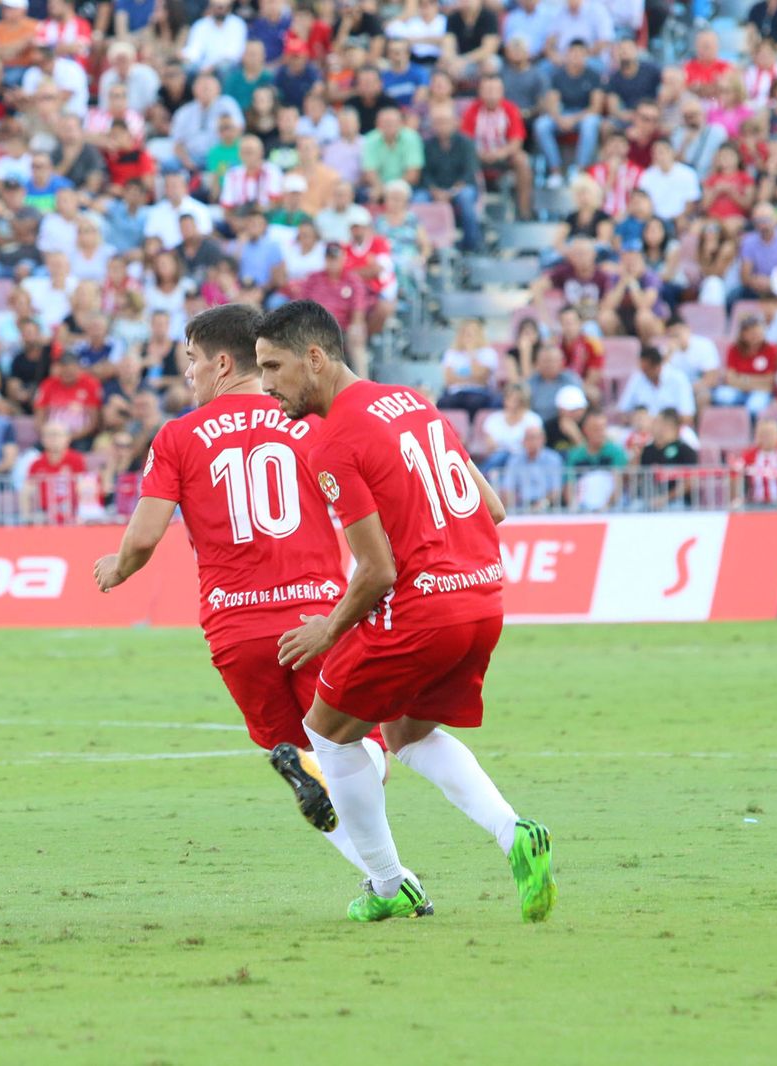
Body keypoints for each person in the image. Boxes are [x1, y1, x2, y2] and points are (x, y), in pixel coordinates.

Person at [255, 299, 555, 924]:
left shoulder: (332, 442)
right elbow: (493, 508)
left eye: (274, 367)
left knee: (326, 733)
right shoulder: (413, 402)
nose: (266, 384)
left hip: (420, 611)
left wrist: (328, 629)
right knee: (406, 734)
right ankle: (515, 833)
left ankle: (389, 883)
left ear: (315, 358)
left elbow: (378, 571)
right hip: (482, 599)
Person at [93, 302, 386, 873]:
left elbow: (145, 537)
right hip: (316, 621)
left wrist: (118, 568)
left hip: (236, 631)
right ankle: (379, 862)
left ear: (222, 363)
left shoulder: (177, 435)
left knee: (298, 760)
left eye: (191, 360)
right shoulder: (309, 420)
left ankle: (388, 882)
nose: (188, 373)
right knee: (359, 749)